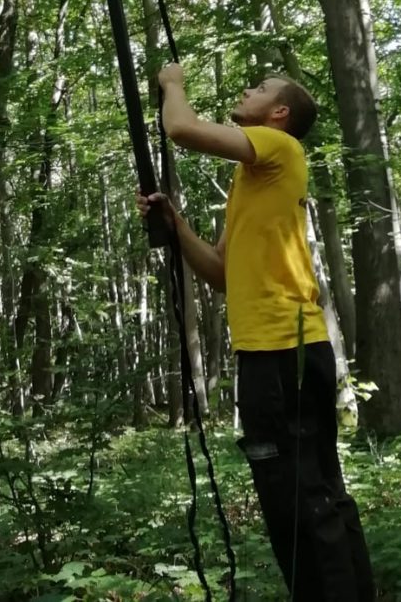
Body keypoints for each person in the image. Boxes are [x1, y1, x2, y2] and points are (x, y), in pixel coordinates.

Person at [137, 64, 374, 602]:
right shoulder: (254, 180)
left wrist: (172, 82)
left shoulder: (276, 146)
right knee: (317, 491)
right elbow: (222, 274)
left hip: (281, 350)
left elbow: (180, 130)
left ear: (279, 113)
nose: (247, 90)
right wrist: (176, 225)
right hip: (281, 350)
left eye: (260, 89)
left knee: (297, 497)